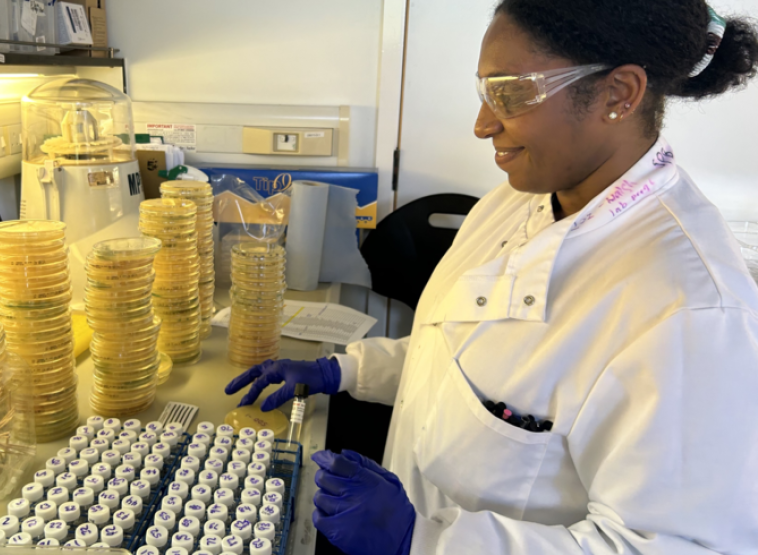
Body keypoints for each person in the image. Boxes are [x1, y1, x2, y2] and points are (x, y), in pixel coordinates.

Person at [225, 0, 758, 553]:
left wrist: (425, 540)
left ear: (619, 93)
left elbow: (676, 546)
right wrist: (344, 370)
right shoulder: (514, 202)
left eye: (511, 93)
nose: (483, 125)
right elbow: (460, 359)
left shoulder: (692, 310)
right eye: (485, 92)